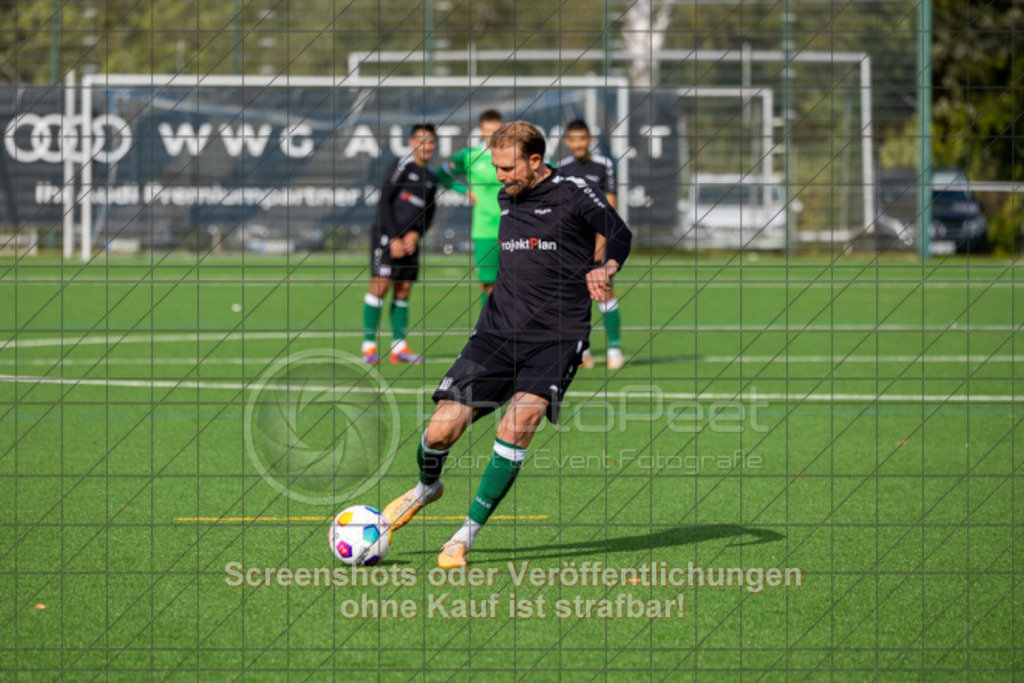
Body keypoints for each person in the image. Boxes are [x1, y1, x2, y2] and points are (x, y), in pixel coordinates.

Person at [382, 120, 632, 568]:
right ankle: (425, 488)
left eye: (506, 168)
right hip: (495, 333)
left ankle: (464, 537)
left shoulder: (573, 191)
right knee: (440, 429)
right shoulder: (506, 195)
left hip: (556, 338)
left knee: (517, 425)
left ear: (535, 161)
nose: (499, 176)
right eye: (495, 167)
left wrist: (605, 266)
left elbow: (619, 231)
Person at [361, 123, 438, 364]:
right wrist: (393, 236)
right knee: (380, 286)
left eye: (432, 142)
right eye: (422, 140)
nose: (427, 146)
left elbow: (429, 213)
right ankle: (369, 347)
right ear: (411, 142)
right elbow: (384, 202)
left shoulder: (431, 178)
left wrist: (417, 234)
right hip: (386, 237)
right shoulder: (401, 165)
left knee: (403, 289)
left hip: (409, 242)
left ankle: (399, 348)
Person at [558, 119, 625, 371]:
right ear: (567, 141)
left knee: (603, 291)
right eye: (573, 139)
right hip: (572, 245)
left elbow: (609, 208)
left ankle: (615, 349)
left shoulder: (603, 166)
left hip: (598, 240)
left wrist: (600, 243)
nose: (577, 143)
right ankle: (582, 350)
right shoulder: (561, 169)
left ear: (590, 139)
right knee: (574, 296)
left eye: (582, 138)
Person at [435, 109, 504, 309]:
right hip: (485, 230)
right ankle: (489, 333)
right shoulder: (470, 156)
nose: (492, 134)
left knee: (518, 286)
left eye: (496, 130)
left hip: (515, 228)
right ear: (481, 131)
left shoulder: (514, 154)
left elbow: (546, 168)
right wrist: (466, 192)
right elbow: (442, 174)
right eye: (488, 130)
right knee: (489, 286)